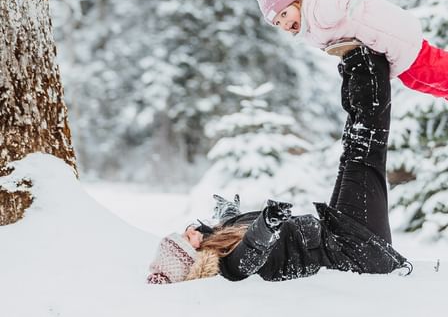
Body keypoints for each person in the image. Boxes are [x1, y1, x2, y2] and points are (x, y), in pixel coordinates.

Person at [147, 47, 411, 283]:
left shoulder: (222, 237)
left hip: (336, 238)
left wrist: (229, 212)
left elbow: (237, 232)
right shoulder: (231, 266)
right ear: (192, 255)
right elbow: (253, 249)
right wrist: (268, 223)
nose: (190, 230)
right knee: (365, 151)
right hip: (355, 252)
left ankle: (356, 62)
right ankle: (371, 64)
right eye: (186, 238)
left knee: (353, 149)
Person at [245, 0, 448, 112]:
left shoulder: (318, 8)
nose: (285, 24)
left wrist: (348, 5)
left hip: (392, 35)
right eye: (278, 23)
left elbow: (341, 4)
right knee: (414, 79)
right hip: (389, 41)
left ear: (296, 2)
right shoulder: (309, 24)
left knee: (427, 67)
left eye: (285, 14)